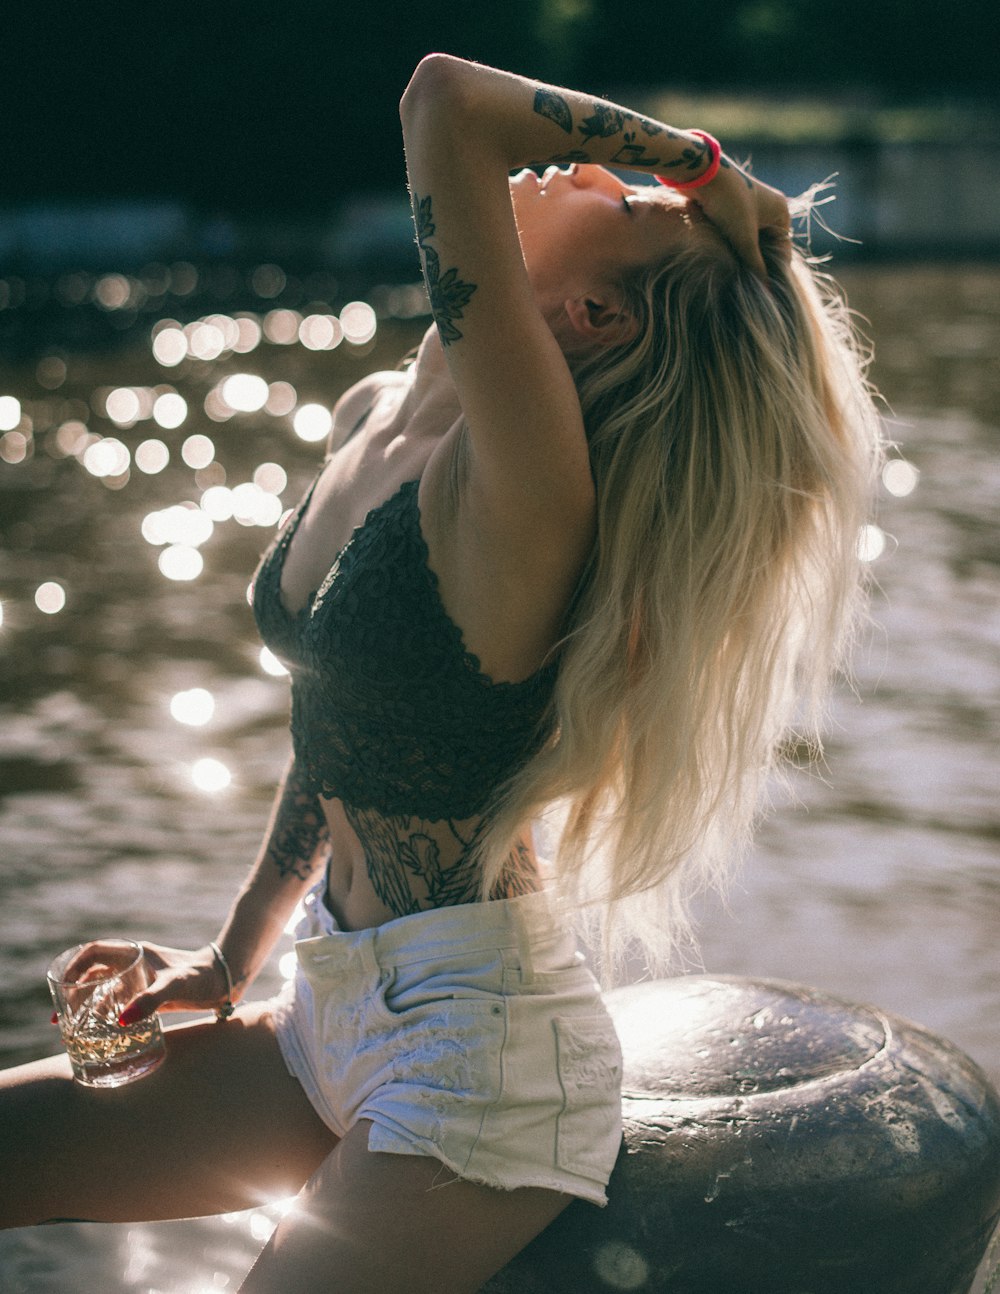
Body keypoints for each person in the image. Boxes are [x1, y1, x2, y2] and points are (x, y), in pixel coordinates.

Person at [0, 54, 882, 1292]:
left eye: (620, 204)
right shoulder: (381, 406)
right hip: (332, 1001)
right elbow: (346, 707)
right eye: (624, 177)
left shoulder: (527, 489)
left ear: (593, 317)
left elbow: (446, 104)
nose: (585, 165)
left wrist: (694, 166)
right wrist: (232, 950)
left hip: (481, 1061)